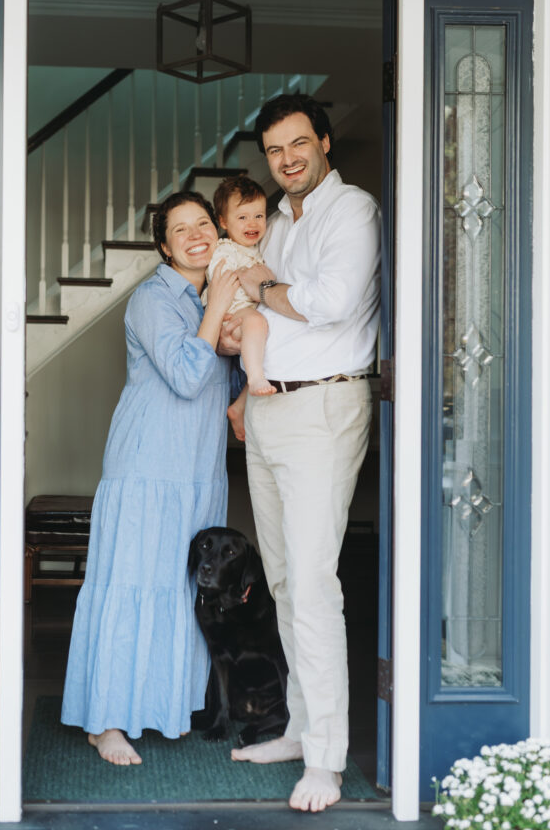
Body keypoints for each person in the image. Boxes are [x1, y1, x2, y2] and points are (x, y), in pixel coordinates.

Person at [223, 93, 381, 813]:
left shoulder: (353, 211)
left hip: (324, 405)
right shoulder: (277, 222)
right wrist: (243, 392)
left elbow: (332, 303)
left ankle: (325, 760)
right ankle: (299, 726)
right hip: (269, 405)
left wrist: (261, 283)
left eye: (297, 144)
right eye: (274, 150)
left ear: (323, 141)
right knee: (284, 580)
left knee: (314, 586)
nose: (286, 160)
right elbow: (271, 318)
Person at [61, 191, 240, 766]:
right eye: (180, 229)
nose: (195, 234)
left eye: (204, 224)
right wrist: (218, 302)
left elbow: (228, 387)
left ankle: (163, 707)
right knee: (130, 585)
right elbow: (189, 376)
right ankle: (105, 722)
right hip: (146, 467)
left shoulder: (215, 295)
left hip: (198, 468)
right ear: (164, 247)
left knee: (179, 588)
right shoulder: (152, 300)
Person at [204, 174, 276, 399]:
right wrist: (262, 286)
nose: (252, 223)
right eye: (243, 217)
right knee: (256, 322)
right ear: (223, 222)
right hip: (232, 314)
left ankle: (241, 402)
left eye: (259, 216)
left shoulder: (257, 248)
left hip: (248, 311)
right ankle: (255, 379)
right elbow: (225, 285)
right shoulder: (225, 251)